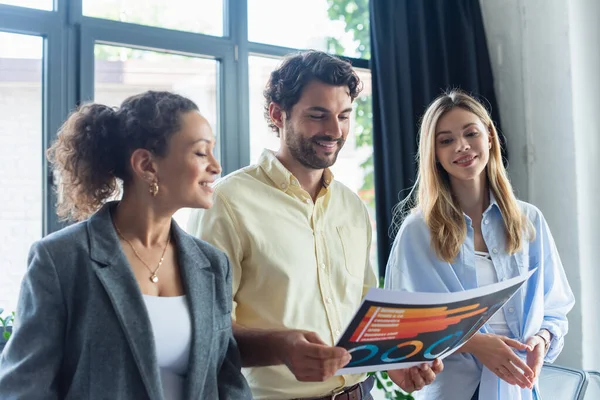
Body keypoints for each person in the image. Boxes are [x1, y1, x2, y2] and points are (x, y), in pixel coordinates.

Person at [187, 50, 442, 400]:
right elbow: (206, 329)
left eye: (344, 116)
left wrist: (394, 359)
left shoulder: (351, 205)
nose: (335, 130)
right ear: (278, 114)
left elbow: (364, 311)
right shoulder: (226, 202)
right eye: (318, 115)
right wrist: (280, 347)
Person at [0, 91, 252, 399]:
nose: (216, 166)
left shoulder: (213, 265)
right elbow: (24, 388)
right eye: (201, 153)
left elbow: (228, 383)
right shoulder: (61, 259)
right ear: (146, 164)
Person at [384, 90, 575, 400]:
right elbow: (403, 322)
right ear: (434, 153)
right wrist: (475, 344)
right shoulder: (417, 231)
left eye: (470, 133)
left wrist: (541, 339)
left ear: (489, 137)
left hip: (519, 390)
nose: (461, 146)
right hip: (453, 391)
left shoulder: (530, 220)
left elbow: (555, 308)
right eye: (445, 140)